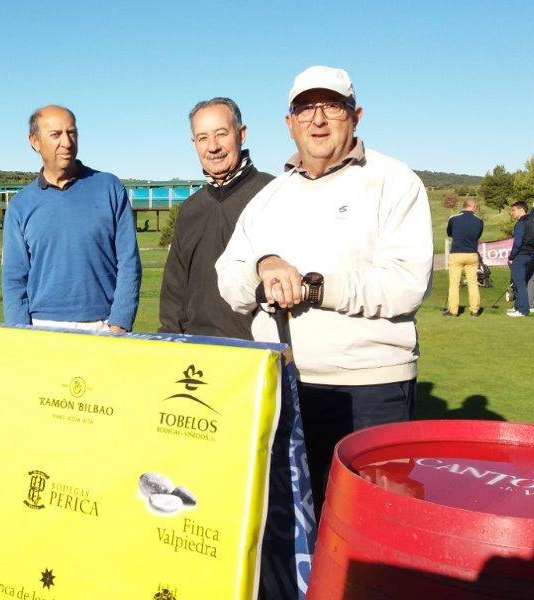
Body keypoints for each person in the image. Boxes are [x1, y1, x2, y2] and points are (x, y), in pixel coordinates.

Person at [216, 66, 433, 516]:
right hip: (284, 387)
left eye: (331, 106)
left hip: (369, 389)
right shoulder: (271, 196)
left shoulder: (393, 180)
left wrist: (315, 289)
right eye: (305, 108)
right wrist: (263, 269)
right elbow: (229, 274)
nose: (318, 120)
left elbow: (405, 284)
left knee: (371, 530)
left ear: (355, 116)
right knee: (291, 529)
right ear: (289, 123)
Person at [2, 105, 141, 332]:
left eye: (72, 132)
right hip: (43, 327)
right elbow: (14, 278)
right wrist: (20, 332)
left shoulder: (109, 187)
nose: (66, 142)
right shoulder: (20, 205)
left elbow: (128, 262)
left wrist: (119, 324)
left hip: (103, 325)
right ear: (34, 141)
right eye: (56, 135)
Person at [159, 98, 274, 338]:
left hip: (258, 350)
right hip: (197, 350)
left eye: (221, 134)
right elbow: (174, 289)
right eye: (202, 138)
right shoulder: (190, 209)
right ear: (194, 144)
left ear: (241, 134)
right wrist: (168, 338)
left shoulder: (273, 193)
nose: (213, 147)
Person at [444, 198, 483, 317]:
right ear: (472, 206)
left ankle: (453, 310)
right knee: (472, 283)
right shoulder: (479, 221)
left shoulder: (453, 219)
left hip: (457, 253)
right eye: (475, 206)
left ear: (464, 206)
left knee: (454, 283)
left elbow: (450, 233)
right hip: (472, 254)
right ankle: (475, 310)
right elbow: (478, 235)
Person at [507, 201, 534, 317]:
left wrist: (511, 256)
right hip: (531, 256)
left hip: (521, 255)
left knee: (519, 282)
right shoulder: (532, 221)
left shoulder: (521, 223)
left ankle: (523, 310)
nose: (511, 213)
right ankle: (517, 306)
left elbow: (517, 243)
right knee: (523, 281)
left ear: (521, 210)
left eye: (513, 210)